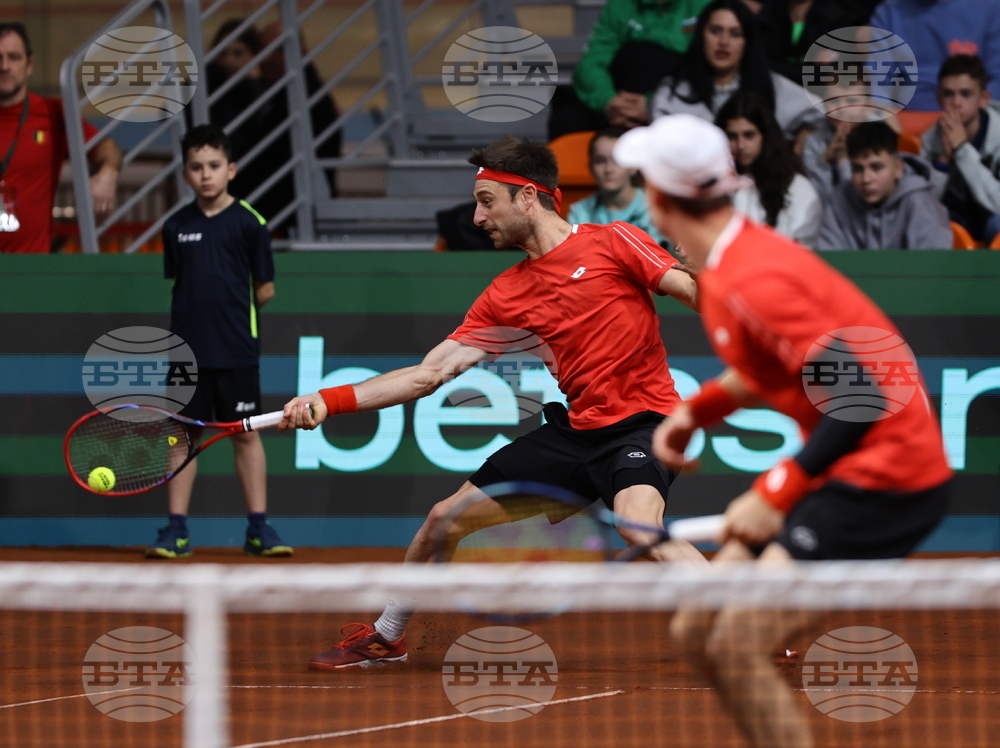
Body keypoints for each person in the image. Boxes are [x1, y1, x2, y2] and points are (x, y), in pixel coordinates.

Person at [280, 134, 703, 669]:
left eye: (487, 202)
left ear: (528, 196)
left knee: (637, 524)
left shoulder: (615, 241)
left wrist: (706, 268)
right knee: (442, 519)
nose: (478, 219)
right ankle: (388, 636)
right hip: (576, 432)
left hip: (644, 424)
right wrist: (328, 399)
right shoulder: (505, 294)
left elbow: (699, 298)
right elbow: (428, 375)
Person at [614, 112, 952, 748]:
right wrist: (693, 413)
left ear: (659, 199)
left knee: (737, 643)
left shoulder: (754, 279)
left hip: (888, 482)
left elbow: (862, 396)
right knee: (696, 631)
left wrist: (775, 491)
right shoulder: (726, 271)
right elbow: (768, 365)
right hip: (843, 466)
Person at [147, 125, 290, 559]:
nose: (205, 175)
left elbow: (264, 289)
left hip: (236, 352)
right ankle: (176, 531)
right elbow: (181, 283)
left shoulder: (251, 223)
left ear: (231, 169)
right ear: (186, 174)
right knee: (181, 436)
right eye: (196, 167)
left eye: (213, 166)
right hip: (185, 353)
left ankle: (258, 529)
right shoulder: (176, 226)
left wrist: (230, 323)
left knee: (245, 436)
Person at [0, 22, 120, 253]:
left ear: (29, 65)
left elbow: (105, 145)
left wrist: (107, 173)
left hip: (29, 268)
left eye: (14, 57)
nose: (4, 66)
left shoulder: (53, 113)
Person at [650, 0, 822, 140]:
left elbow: (820, 115)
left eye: (735, 33)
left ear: (747, 42)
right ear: (701, 35)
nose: (724, 41)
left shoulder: (770, 84)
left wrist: (805, 138)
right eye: (715, 31)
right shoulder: (673, 94)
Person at [549, 0, 715, 139]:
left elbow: (706, 68)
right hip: (616, 106)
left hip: (676, 103)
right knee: (566, 119)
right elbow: (591, 63)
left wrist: (653, 104)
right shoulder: (619, 6)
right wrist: (609, 101)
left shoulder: (704, 5)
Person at [817, 120, 951, 250]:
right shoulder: (838, 200)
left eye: (876, 167)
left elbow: (931, 267)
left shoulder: (919, 202)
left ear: (898, 169)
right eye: (858, 169)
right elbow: (828, 263)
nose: (866, 179)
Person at [716, 92, 822, 246]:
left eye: (749, 135)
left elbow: (801, 249)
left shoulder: (798, 188)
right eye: (732, 136)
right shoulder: (712, 186)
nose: (740, 145)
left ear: (765, 136)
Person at [921, 54, 1000, 244]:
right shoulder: (931, 140)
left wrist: (963, 150)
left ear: (983, 99)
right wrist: (944, 161)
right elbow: (922, 208)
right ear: (939, 98)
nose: (956, 102)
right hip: (956, 217)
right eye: (949, 94)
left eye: (966, 94)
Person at [871, 0, 1000, 111]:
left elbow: (997, 78)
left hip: (973, 118)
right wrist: (885, 120)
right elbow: (878, 81)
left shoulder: (991, 8)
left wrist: (979, 121)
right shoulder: (889, 13)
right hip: (906, 121)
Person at [567, 126, 667, 243]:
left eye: (617, 160)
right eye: (600, 161)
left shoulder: (656, 207)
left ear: (633, 166)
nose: (608, 169)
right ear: (590, 168)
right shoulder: (580, 212)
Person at [756, 0, 875, 84]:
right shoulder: (765, 16)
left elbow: (831, 75)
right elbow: (757, 65)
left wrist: (775, 68)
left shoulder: (840, 17)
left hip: (821, 100)